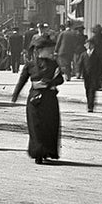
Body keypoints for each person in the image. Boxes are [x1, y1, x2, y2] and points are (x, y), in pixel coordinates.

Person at [12, 32, 63, 162]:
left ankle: (47, 152)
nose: (51, 52)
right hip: (35, 100)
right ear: (40, 50)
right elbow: (22, 81)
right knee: (36, 127)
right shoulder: (30, 65)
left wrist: (49, 83)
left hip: (50, 99)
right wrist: (15, 96)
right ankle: (38, 153)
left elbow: (60, 80)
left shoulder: (54, 64)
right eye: (48, 50)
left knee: (49, 126)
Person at [81, 23, 102, 112]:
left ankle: (90, 105)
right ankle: (99, 83)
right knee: (99, 74)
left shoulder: (94, 39)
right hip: (98, 60)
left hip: (96, 60)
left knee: (91, 88)